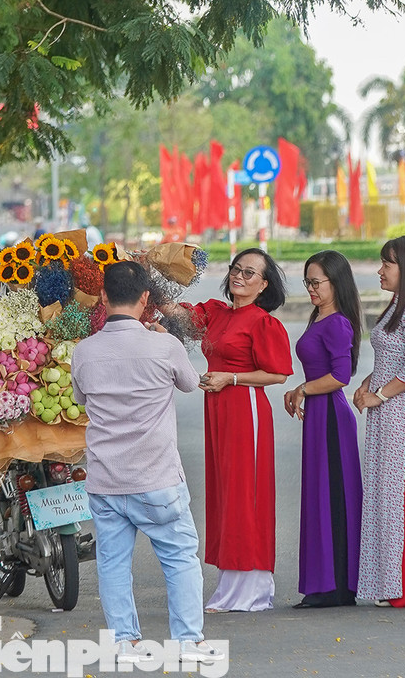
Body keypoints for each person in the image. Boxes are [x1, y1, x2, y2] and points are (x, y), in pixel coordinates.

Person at [71, 261, 224, 667]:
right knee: (179, 558)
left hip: (105, 480)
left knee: (113, 563)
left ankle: (125, 642)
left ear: (103, 298)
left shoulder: (83, 352)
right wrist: (164, 338)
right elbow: (191, 383)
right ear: (144, 299)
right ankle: (188, 642)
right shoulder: (164, 346)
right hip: (156, 478)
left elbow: (80, 399)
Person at [168, 248, 292, 612]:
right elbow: (176, 314)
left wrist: (232, 378)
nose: (240, 276)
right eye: (236, 269)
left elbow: (279, 373)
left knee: (244, 491)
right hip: (218, 408)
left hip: (245, 408)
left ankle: (251, 588)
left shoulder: (263, 322)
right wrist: (150, 273)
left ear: (264, 284)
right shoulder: (217, 314)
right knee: (224, 492)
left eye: (250, 273)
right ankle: (230, 583)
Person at [353, 235, 405, 608]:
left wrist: (381, 394)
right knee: (383, 496)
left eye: (387, 264)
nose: (380, 270)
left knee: (402, 496)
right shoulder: (395, 306)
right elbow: (389, 357)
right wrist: (366, 384)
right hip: (386, 411)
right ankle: (389, 581)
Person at [283, 251, 363, 609]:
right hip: (319, 413)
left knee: (333, 498)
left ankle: (337, 586)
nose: (311, 289)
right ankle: (324, 583)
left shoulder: (338, 323)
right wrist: (301, 389)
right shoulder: (319, 317)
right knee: (320, 496)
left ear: (336, 283)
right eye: (308, 282)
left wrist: (302, 389)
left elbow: (340, 377)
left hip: (331, 415)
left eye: (317, 283)